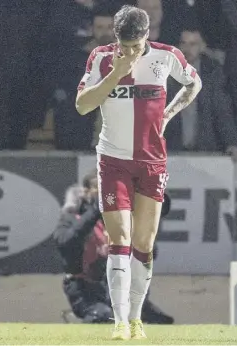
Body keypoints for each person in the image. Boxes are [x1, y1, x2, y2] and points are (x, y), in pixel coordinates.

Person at [75, 5, 201, 340]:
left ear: (147, 36)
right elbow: (83, 105)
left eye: (136, 46)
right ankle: (119, 323)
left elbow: (193, 84)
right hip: (113, 160)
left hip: (151, 162)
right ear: (116, 38)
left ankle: (134, 318)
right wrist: (116, 74)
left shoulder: (167, 56)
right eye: (124, 46)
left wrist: (169, 115)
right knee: (121, 240)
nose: (130, 52)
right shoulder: (102, 59)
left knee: (144, 244)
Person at [53, 171, 174, 325]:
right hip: (85, 289)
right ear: (87, 192)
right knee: (106, 317)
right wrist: (96, 210)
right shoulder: (73, 217)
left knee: (161, 322)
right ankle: (84, 320)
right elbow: (65, 243)